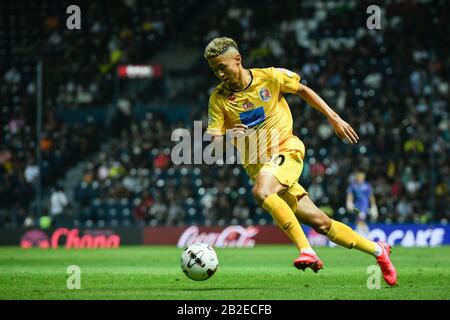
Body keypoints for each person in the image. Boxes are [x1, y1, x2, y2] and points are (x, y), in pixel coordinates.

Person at [204, 37, 397, 286]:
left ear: (238, 60)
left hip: (286, 150)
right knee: (322, 223)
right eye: (214, 70)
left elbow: (303, 90)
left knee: (261, 191)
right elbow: (214, 143)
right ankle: (378, 251)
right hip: (261, 168)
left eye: (223, 66)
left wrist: (334, 118)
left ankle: (307, 250)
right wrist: (230, 136)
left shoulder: (270, 77)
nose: (219, 74)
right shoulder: (218, 99)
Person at [346, 170, 379, 237]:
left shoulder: (367, 186)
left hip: (365, 206)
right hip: (356, 207)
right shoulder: (353, 186)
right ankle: (364, 235)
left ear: (364, 177)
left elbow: (371, 196)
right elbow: (350, 195)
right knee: (359, 218)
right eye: (359, 177)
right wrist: (349, 202)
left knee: (361, 219)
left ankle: (363, 235)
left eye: (362, 177)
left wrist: (374, 206)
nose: (360, 178)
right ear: (356, 177)